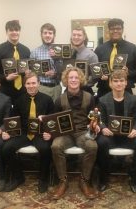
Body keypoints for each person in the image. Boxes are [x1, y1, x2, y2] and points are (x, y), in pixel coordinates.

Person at [1, 72, 54, 193]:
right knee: (6, 148)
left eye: (34, 83)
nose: (31, 86)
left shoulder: (48, 99)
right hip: (24, 133)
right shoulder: (19, 100)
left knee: (46, 149)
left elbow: (52, 121)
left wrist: (50, 133)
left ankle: (43, 179)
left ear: (39, 84)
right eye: (28, 83)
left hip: (40, 133)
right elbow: (14, 120)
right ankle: (18, 177)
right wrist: (9, 132)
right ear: (25, 85)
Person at [96, 70, 136, 193]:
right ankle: (103, 178)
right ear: (110, 83)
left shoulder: (133, 99)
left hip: (128, 135)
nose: (118, 84)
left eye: (121, 81)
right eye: (115, 81)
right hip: (110, 136)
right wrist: (103, 128)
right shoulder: (103, 100)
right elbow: (100, 119)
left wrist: (135, 129)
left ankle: (135, 178)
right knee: (101, 143)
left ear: (126, 83)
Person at [50, 67, 99, 200]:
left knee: (93, 146)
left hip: (83, 132)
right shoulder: (59, 99)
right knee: (55, 146)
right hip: (65, 134)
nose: (73, 80)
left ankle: (84, 180)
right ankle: (63, 180)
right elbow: (54, 120)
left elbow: (93, 118)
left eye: (76, 77)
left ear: (81, 79)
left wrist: (94, 125)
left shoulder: (89, 97)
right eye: (70, 77)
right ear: (66, 80)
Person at [94, 18, 136, 98]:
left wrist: (128, 72)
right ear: (108, 30)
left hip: (125, 90)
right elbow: (95, 69)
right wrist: (100, 76)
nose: (115, 31)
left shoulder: (132, 48)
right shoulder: (100, 49)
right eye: (112, 29)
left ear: (122, 30)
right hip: (104, 90)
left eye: (118, 28)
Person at [0, 20, 30, 104]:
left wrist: (28, 73)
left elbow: (27, 68)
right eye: (11, 30)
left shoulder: (26, 50)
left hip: (23, 91)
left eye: (16, 30)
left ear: (19, 32)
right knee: (6, 116)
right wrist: (6, 78)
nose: (14, 32)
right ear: (6, 32)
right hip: (5, 90)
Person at [30, 23, 61, 102]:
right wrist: (42, 73)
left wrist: (55, 74)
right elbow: (32, 73)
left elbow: (64, 70)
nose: (48, 35)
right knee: (42, 113)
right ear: (41, 35)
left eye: (50, 33)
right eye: (45, 33)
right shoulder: (35, 52)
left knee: (56, 112)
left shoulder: (61, 52)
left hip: (56, 88)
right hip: (42, 88)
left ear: (54, 35)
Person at [71, 26, 99, 95]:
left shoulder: (91, 55)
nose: (76, 37)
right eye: (74, 35)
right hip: (69, 91)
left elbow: (96, 77)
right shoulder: (68, 54)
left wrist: (81, 82)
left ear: (84, 37)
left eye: (79, 35)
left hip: (85, 92)